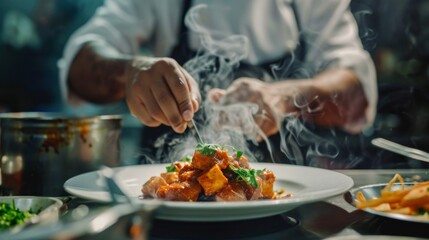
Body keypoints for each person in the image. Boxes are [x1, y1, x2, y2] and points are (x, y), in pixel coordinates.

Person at [59, 0, 377, 164]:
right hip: (165, 216)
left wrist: (283, 97)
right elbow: (78, 65)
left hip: (288, 208)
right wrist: (129, 72)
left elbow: (357, 92)